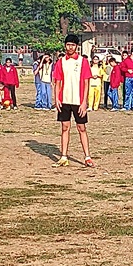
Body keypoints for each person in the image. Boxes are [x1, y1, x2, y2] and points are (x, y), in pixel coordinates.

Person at [52, 34, 95, 168]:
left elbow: (86, 82)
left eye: (72, 45)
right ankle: (63, 156)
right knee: (65, 127)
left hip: (78, 100)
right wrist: (56, 98)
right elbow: (57, 81)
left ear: (76, 46)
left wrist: (84, 102)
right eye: (68, 45)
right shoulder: (61, 62)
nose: (70, 47)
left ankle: (87, 157)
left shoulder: (83, 61)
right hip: (64, 100)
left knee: (81, 128)